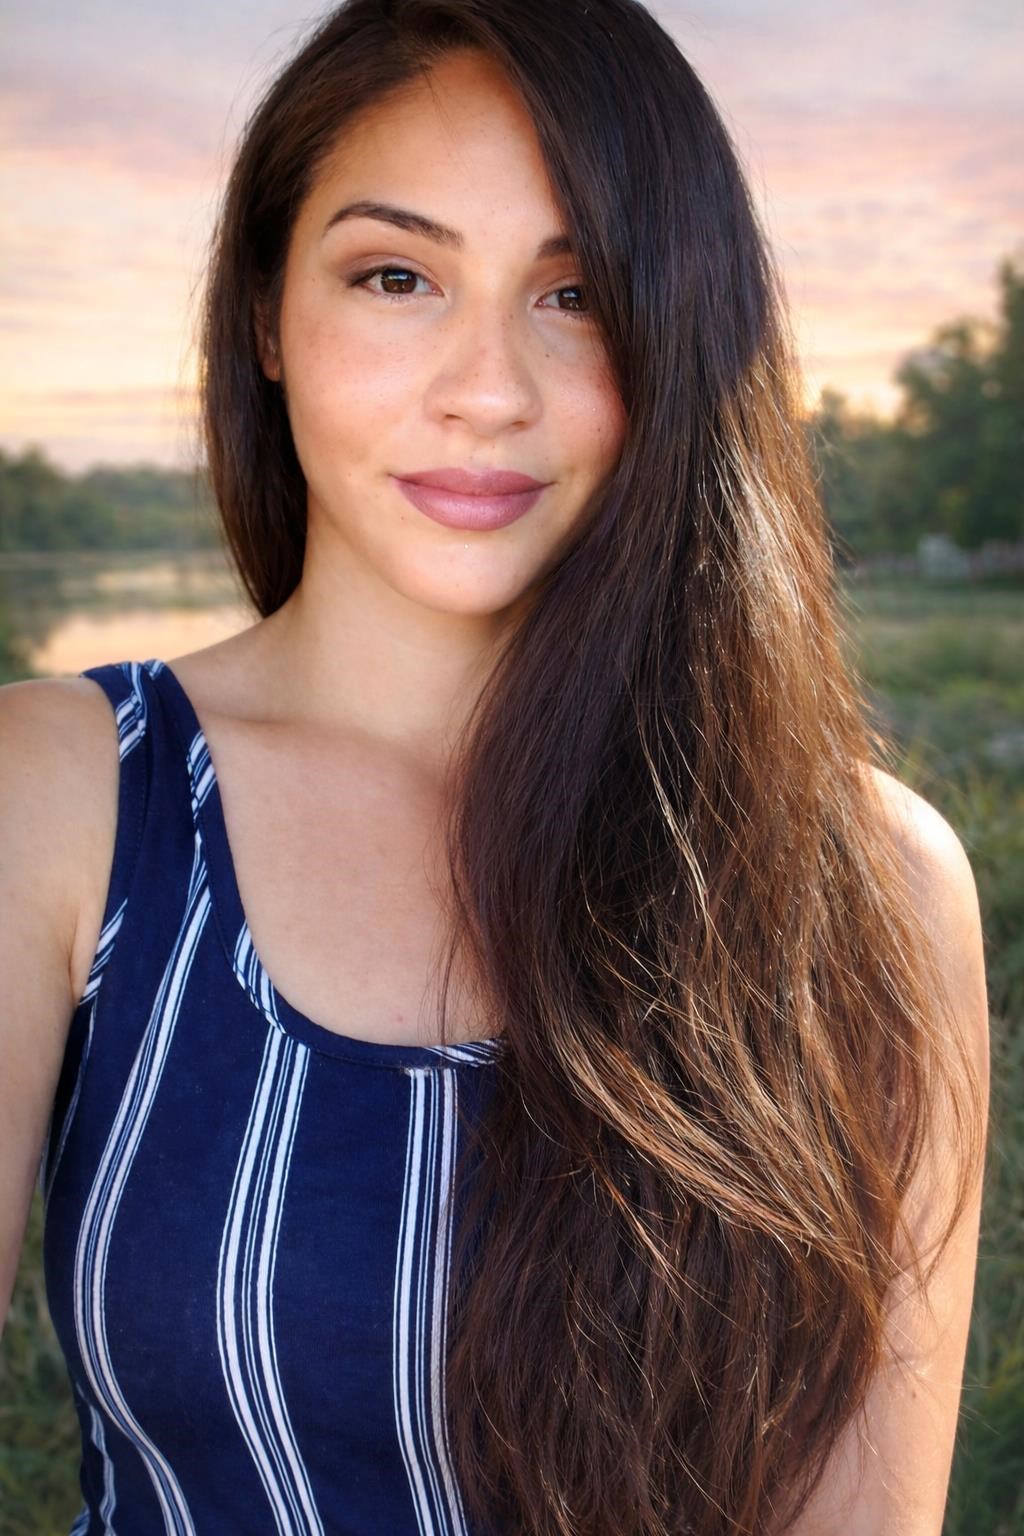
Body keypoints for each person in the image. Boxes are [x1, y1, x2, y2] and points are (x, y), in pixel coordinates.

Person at [0, 1, 990, 1532]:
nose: (488, 389)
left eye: (575, 294)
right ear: (266, 315)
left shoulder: (874, 882)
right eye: (396, 276)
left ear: (678, 336)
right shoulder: (64, 793)